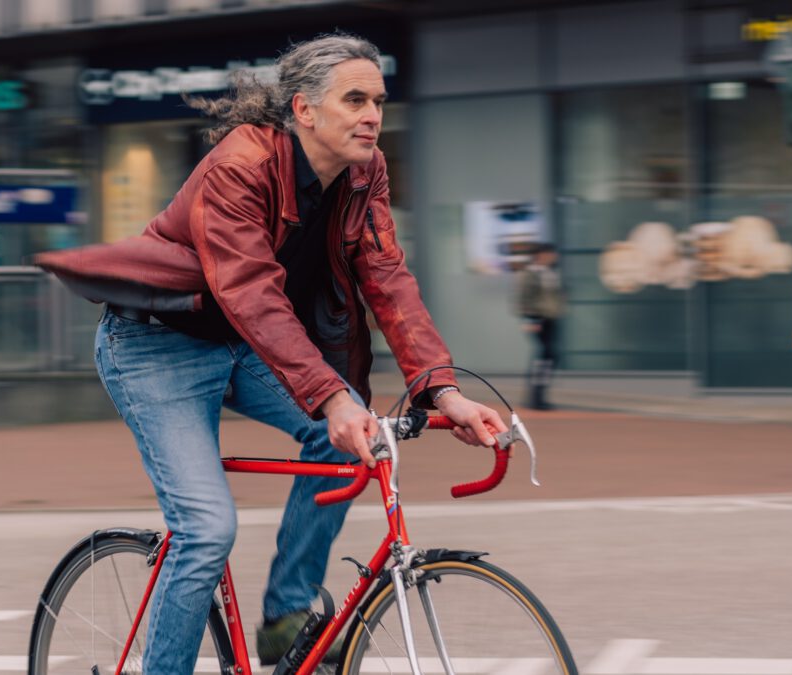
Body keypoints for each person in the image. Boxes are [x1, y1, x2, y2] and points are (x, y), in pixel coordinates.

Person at [35, 33, 508, 675]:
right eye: (355, 99)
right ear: (304, 109)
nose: (373, 114)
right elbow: (252, 293)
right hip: (153, 346)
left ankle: (286, 620)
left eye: (378, 100)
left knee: (344, 443)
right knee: (205, 530)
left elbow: (389, 280)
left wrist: (443, 392)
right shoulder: (240, 165)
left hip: (241, 341)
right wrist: (334, 395)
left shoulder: (365, 171)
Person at [516, 242, 565, 410]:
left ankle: (539, 394)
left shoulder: (550, 273)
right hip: (538, 320)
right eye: (550, 253)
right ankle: (536, 396)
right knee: (545, 356)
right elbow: (524, 298)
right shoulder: (529, 274)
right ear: (540, 254)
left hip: (551, 319)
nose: (553, 257)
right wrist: (531, 319)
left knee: (549, 356)